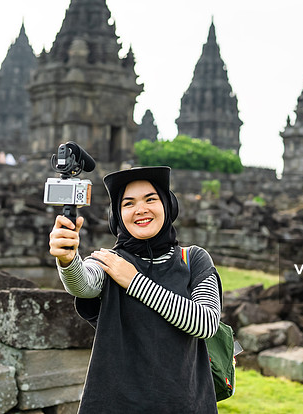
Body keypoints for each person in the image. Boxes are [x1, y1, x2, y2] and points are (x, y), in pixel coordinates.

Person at [49, 166, 221, 413]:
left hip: (184, 404)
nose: (141, 209)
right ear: (117, 216)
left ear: (168, 205)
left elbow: (205, 323)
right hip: (116, 405)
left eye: (150, 199)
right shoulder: (109, 262)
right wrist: (67, 259)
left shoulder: (193, 259)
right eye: (128, 204)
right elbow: (83, 285)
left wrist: (134, 282)